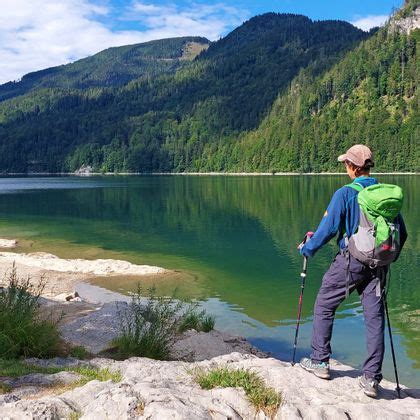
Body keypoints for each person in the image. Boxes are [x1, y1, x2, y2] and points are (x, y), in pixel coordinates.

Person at [298, 144, 407, 398]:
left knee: (324, 303)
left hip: (352, 262)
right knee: (374, 318)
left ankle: (320, 362)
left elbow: (327, 230)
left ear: (352, 167)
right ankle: (371, 379)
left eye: (346, 163)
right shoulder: (386, 195)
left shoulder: (345, 193)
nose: (345, 167)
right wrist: (386, 259)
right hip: (379, 265)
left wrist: (307, 249)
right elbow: (404, 233)